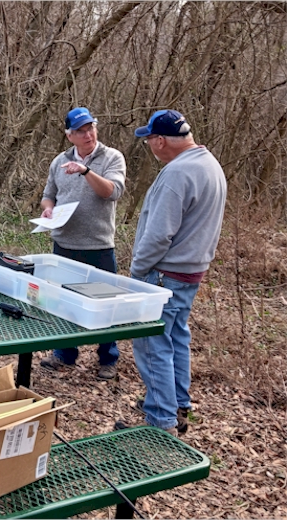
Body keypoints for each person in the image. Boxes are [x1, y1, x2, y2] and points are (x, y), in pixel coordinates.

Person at [121, 109, 226, 435]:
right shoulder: (209, 164)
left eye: (149, 139)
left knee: (153, 344)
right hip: (189, 273)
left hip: (165, 274)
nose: (149, 145)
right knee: (176, 338)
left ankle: (160, 421)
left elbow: (158, 234)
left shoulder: (177, 173)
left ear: (161, 140)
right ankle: (178, 404)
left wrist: (137, 273)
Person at [38, 107, 127, 381]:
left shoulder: (112, 157)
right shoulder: (58, 162)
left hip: (99, 245)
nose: (88, 134)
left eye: (91, 128)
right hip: (65, 243)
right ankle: (64, 353)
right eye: (81, 130)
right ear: (70, 136)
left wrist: (86, 170)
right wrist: (48, 210)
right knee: (63, 301)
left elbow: (112, 192)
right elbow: (48, 195)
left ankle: (107, 358)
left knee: (105, 304)